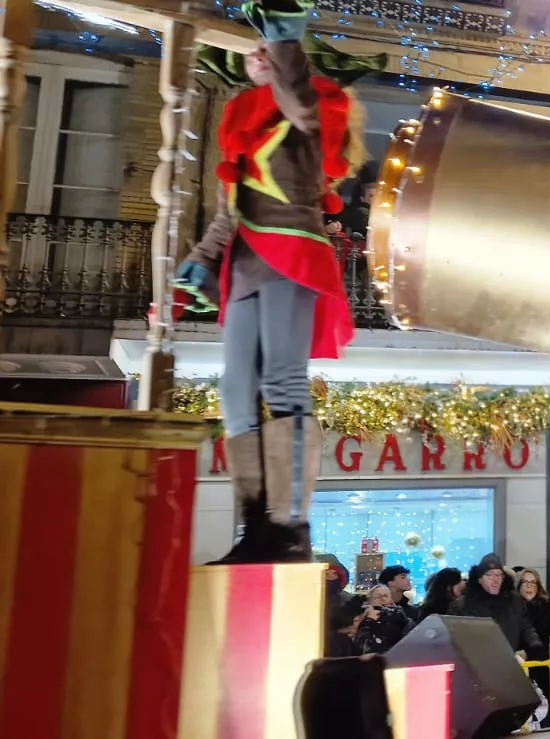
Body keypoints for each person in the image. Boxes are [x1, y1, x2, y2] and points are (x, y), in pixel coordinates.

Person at [180, 0, 382, 563]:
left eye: (265, 48)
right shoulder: (242, 120)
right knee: (235, 391)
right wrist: (201, 257)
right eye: (253, 51)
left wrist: (286, 38)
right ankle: (255, 525)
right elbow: (230, 210)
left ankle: (289, 526)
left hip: (293, 253)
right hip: (244, 263)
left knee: (284, 382)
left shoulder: (316, 108)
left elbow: (300, 105)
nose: (255, 57)